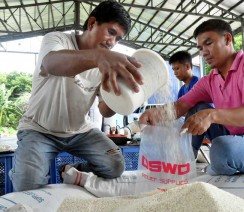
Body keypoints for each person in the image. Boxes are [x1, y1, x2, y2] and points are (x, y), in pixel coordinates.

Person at [9, 0, 144, 191]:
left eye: (118, 39)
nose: (112, 42)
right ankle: (22, 170)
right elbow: (51, 64)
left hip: (80, 132)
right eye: (111, 32)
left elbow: (105, 111)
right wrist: (99, 57)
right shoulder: (57, 40)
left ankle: (73, 171)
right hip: (39, 130)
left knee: (115, 165)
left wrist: (120, 96)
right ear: (91, 24)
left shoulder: (105, 63)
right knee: (27, 187)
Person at [139, 19, 244, 176]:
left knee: (222, 148)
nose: (204, 52)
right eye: (200, 48)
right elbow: (181, 105)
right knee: (197, 108)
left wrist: (211, 115)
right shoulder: (210, 80)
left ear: (227, 39)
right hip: (234, 139)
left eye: (209, 43)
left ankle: (215, 168)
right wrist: (154, 113)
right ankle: (185, 161)